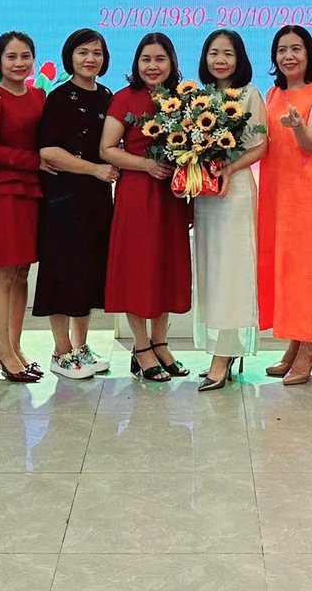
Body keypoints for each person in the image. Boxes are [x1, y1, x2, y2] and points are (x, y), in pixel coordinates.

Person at [101, 32, 191, 382]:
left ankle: (160, 343)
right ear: (136, 63)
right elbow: (107, 149)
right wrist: (146, 165)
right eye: (146, 59)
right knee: (138, 270)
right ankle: (141, 348)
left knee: (165, 269)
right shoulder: (125, 98)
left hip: (172, 197)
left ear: (172, 63)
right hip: (138, 194)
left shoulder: (183, 100)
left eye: (160, 59)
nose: (153, 66)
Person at [33, 28, 116, 381]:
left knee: (88, 273)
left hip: (97, 199)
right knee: (62, 273)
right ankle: (61, 350)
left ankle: (81, 346)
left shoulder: (107, 96)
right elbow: (49, 151)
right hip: (64, 199)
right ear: (70, 56)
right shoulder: (58, 97)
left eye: (97, 53)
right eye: (83, 52)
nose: (90, 59)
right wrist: (94, 169)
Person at [256, 25, 312, 386]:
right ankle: (294, 343)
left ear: (309, 54)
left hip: (307, 198)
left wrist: (299, 126)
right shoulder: (272, 93)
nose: (288, 56)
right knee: (285, 272)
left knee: (306, 273)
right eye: (282, 50)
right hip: (276, 195)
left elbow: (311, 143)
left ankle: (309, 348)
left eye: (296, 49)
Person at [191, 28, 268, 391]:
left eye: (228, 54)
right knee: (211, 268)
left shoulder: (250, 94)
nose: (220, 60)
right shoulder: (198, 97)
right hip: (206, 194)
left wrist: (229, 169)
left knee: (232, 271)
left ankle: (223, 356)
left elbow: (260, 146)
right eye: (214, 53)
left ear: (240, 59)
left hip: (235, 191)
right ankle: (222, 347)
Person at [0, 31, 46, 382]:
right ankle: (2, 352)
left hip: (33, 193)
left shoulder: (39, 96)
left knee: (22, 273)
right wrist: (36, 161)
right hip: (5, 193)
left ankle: (15, 348)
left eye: (25, 56)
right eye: (11, 57)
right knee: (3, 275)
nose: (19, 63)